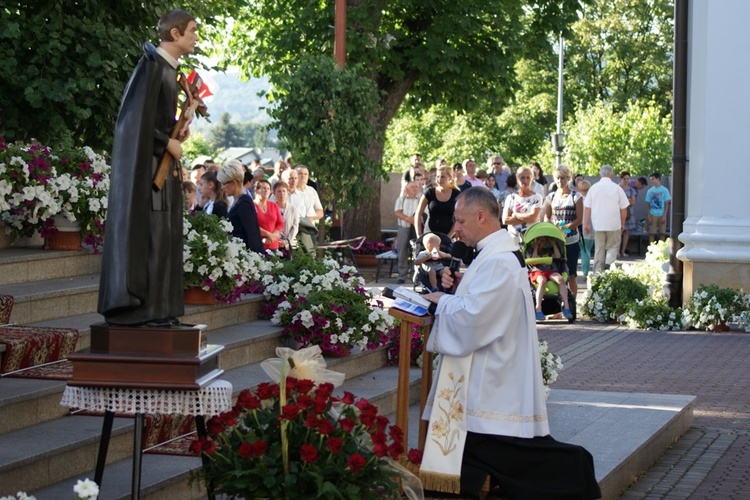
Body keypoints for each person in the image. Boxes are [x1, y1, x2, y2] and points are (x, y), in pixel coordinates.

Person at [420, 187, 599, 499]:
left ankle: (578, 474)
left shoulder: (499, 261)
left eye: (460, 220)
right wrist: (461, 287)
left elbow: (476, 318)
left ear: (481, 216)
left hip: (492, 383)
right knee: (484, 454)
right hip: (491, 377)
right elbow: (482, 300)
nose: (455, 228)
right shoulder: (493, 255)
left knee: (508, 454)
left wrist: (439, 303)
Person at [98, 9, 198, 326]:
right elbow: (133, 124)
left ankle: (162, 310)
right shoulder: (152, 68)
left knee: (164, 236)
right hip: (145, 173)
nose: (196, 37)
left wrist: (179, 130)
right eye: (193, 30)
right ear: (175, 34)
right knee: (151, 238)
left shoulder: (170, 71)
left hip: (162, 170)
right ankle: (142, 311)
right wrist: (166, 143)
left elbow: (157, 123)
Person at [582, 165, 630, 274]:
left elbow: (587, 209)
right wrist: (622, 223)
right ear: (611, 175)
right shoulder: (617, 188)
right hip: (614, 224)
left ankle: (598, 273)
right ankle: (609, 265)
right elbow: (624, 209)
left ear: (600, 174)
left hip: (598, 224)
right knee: (613, 247)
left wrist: (586, 224)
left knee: (599, 248)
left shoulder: (594, 188)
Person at [543, 165, 583, 295]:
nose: (560, 181)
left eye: (563, 178)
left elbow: (579, 219)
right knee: (556, 274)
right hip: (555, 242)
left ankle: (572, 305)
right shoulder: (551, 197)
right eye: (558, 178)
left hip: (570, 241)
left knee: (571, 274)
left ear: (569, 178)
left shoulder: (576, 196)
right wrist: (550, 228)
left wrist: (565, 227)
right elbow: (546, 216)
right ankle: (559, 305)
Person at [217, 162, 264, 252]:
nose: (222, 188)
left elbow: (252, 232)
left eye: (224, 184)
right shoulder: (238, 201)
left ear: (234, 182)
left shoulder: (244, 203)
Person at [529, 236, 573, 320]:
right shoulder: (530, 250)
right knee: (542, 281)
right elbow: (533, 260)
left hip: (550, 270)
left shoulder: (548, 251)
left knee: (560, 279)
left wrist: (553, 244)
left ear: (546, 243)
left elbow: (558, 257)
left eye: (542, 241)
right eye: (538, 240)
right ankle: (538, 308)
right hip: (538, 271)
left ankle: (566, 307)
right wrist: (535, 247)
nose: (539, 242)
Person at [414, 165, 460, 238]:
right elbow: (418, 214)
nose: (439, 179)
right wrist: (419, 234)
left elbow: (459, 218)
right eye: (437, 176)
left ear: (450, 178)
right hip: (429, 234)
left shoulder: (457, 194)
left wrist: (448, 236)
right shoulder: (429, 192)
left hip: (448, 236)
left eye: (442, 177)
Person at [502, 165, 543, 244]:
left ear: (532, 180)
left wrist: (516, 215)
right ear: (517, 179)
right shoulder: (511, 198)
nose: (525, 180)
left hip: (532, 239)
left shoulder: (537, 197)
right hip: (513, 239)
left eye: (528, 178)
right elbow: (505, 220)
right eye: (522, 177)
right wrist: (527, 218)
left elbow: (533, 218)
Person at [394, 180, 420, 284]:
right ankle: (402, 276)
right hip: (404, 227)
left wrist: (416, 220)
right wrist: (408, 219)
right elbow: (397, 212)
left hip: (416, 228)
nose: (414, 188)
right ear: (407, 189)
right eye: (412, 187)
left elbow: (425, 212)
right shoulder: (401, 199)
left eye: (416, 187)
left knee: (416, 251)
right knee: (402, 252)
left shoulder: (421, 199)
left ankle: (416, 275)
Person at [254, 179, 284, 251]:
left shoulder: (274, 205)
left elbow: (280, 223)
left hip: (273, 244)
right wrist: (268, 234)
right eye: (264, 188)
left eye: (268, 188)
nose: (266, 190)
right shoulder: (251, 206)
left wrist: (274, 236)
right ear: (256, 190)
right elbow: (252, 225)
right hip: (259, 244)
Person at [273, 180, 299, 255]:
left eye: (284, 191)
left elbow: (295, 226)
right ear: (274, 194)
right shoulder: (271, 208)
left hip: (290, 244)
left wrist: (286, 241)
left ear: (287, 193)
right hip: (275, 243)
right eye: (279, 191)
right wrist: (278, 239)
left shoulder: (293, 209)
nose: (282, 194)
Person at [576, 180, 595, 282]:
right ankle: (585, 272)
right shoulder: (592, 199)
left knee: (581, 250)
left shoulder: (577, 199)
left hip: (578, 226)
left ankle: (584, 271)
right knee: (587, 250)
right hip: (589, 226)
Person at [645, 172, 671, 243]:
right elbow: (647, 204)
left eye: (653, 179)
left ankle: (661, 248)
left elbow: (667, 203)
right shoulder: (650, 191)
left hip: (662, 213)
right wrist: (649, 216)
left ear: (658, 179)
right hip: (653, 213)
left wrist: (665, 215)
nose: (652, 181)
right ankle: (651, 249)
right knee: (652, 233)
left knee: (662, 233)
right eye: (651, 179)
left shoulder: (665, 190)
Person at [618, 171, 637, 257]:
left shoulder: (631, 190)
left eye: (627, 179)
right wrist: (627, 200)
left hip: (629, 213)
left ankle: (623, 251)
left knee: (626, 232)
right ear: (621, 179)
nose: (626, 180)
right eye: (624, 179)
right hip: (618, 213)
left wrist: (626, 200)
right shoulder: (617, 188)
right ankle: (617, 252)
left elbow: (633, 203)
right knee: (618, 232)